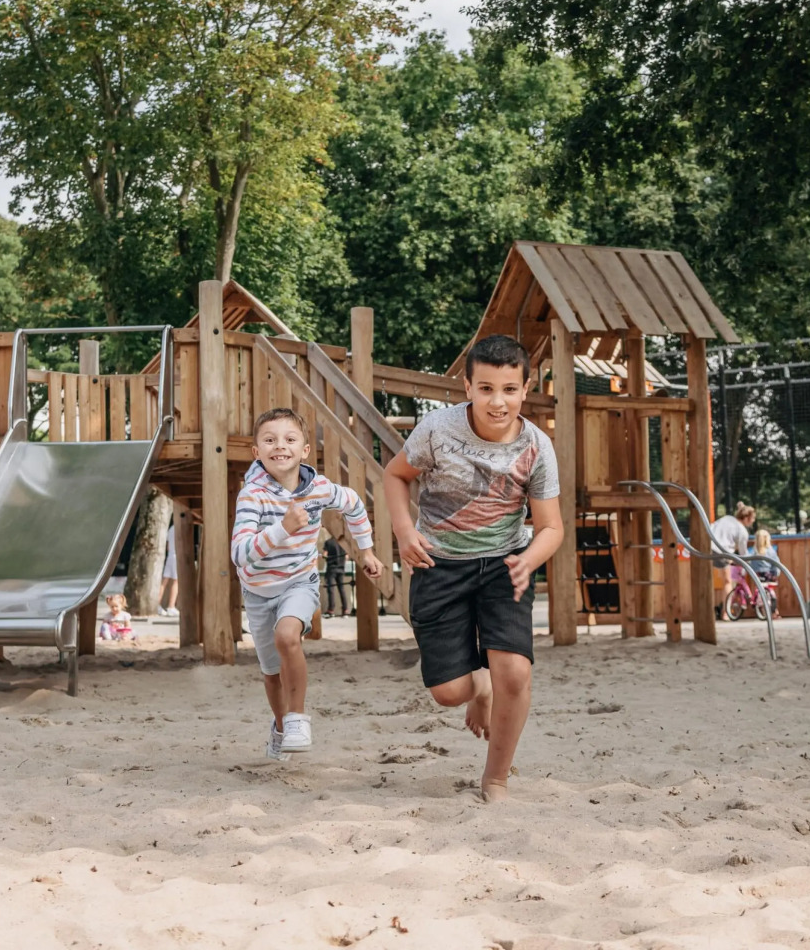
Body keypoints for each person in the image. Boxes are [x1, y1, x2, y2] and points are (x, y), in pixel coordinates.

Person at [382, 334, 563, 804]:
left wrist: (529, 559)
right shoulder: (437, 430)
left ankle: (496, 779)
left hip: (506, 565)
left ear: (526, 390)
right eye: (485, 388)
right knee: (449, 691)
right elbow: (396, 475)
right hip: (438, 564)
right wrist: (404, 531)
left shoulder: (537, 447)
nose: (497, 401)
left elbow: (551, 528)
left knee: (516, 674)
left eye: (508, 389)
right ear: (467, 387)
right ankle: (478, 684)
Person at [232, 407, 383, 761]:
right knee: (271, 672)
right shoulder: (252, 496)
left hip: (299, 581)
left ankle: (298, 718)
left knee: (288, 636)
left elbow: (355, 505)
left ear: (304, 450)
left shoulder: (318, 488)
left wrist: (368, 552)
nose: (279, 447)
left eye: (289, 440)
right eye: (269, 440)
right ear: (257, 452)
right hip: (257, 591)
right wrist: (283, 527)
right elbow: (240, 554)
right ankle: (281, 726)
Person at [709, 502, 756, 611]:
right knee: (727, 581)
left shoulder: (727, 518)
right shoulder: (743, 531)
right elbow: (743, 553)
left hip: (707, 546)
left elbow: (712, 526)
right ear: (746, 518)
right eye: (752, 518)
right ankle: (726, 612)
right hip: (722, 552)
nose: (753, 521)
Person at [322, 533, 349, 618]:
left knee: (331, 589)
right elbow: (347, 557)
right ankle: (345, 610)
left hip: (331, 568)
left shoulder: (328, 542)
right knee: (342, 589)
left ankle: (331, 610)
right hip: (341, 568)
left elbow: (324, 555)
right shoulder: (343, 543)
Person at [158, 523, 180, 617]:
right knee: (176, 581)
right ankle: (171, 606)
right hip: (176, 556)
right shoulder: (179, 527)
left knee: (164, 581)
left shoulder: (171, 528)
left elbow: (168, 546)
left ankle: (157, 604)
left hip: (170, 555)